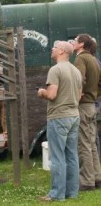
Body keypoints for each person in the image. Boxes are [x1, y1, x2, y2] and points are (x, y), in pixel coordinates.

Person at [38, 41, 82, 201]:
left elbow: (51, 95)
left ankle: (57, 194)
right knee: (72, 155)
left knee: (57, 157)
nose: (52, 49)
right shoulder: (76, 71)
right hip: (74, 115)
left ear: (62, 51)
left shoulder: (55, 70)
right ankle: (72, 192)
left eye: (55, 47)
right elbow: (78, 96)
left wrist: (41, 92)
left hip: (58, 117)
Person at [73, 33, 101, 191]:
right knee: (92, 144)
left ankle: (86, 181)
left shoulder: (81, 58)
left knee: (83, 144)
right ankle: (97, 177)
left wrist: (78, 95)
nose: (73, 43)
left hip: (83, 105)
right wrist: (93, 94)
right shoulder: (94, 60)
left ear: (81, 44)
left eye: (75, 41)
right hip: (93, 105)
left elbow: (79, 78)